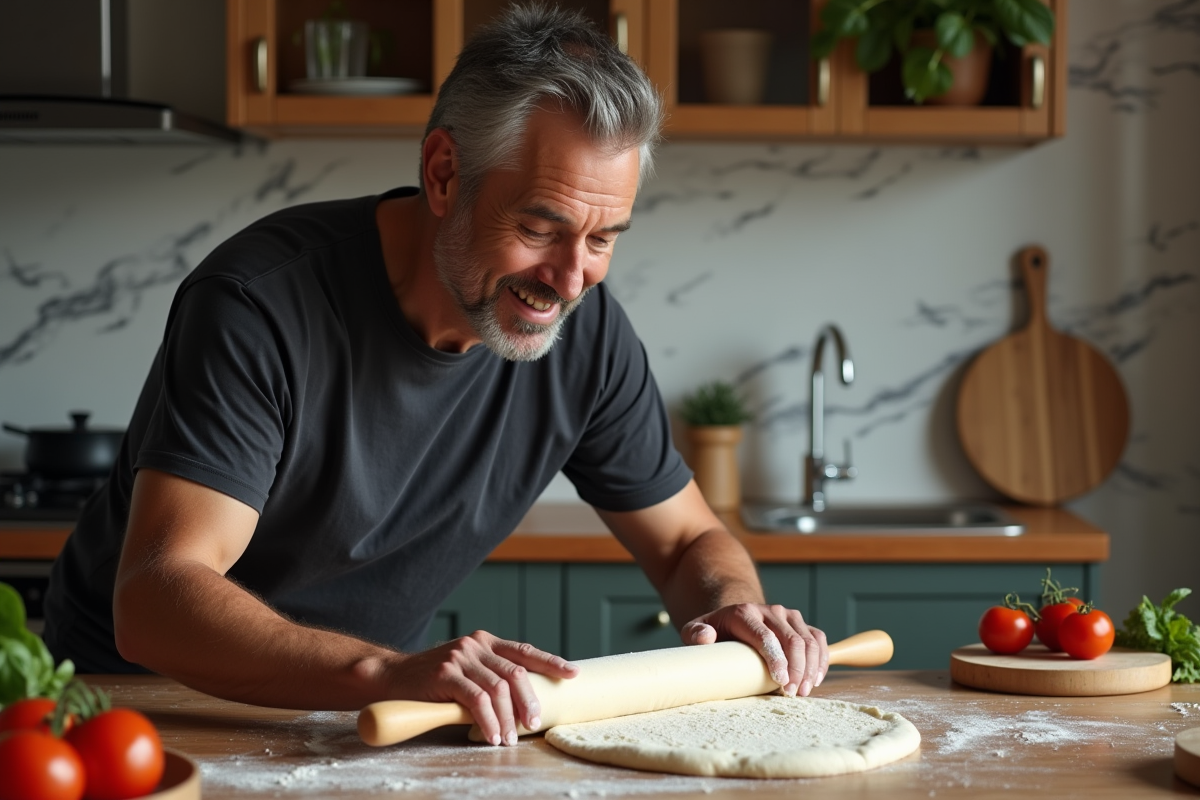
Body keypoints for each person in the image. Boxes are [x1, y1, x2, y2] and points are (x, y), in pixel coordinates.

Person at [43, 4, 828, 747]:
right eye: (539, 228)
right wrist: (382, 671)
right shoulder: (260, 304)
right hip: (146, 710)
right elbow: (155, 597)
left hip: (366, 713)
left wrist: (735, 612)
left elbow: (689, 537)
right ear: (445, 172)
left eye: (604, 238)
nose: (571, 278)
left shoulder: (586, 332)